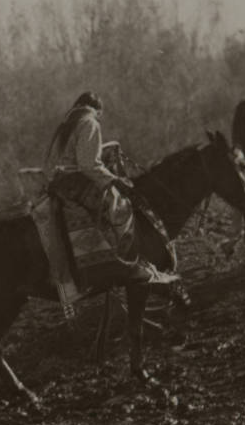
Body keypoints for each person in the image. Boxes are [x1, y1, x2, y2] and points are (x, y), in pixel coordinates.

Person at [44, 91, 176, 286]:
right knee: (121, 207)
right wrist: (115, 180)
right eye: (100, 114)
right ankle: (121, 262)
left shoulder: (65, 126)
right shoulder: (90, 123)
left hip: (58, 184)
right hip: (76, 184)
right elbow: (88, 165)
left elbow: (52, 164)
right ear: (98, 110)